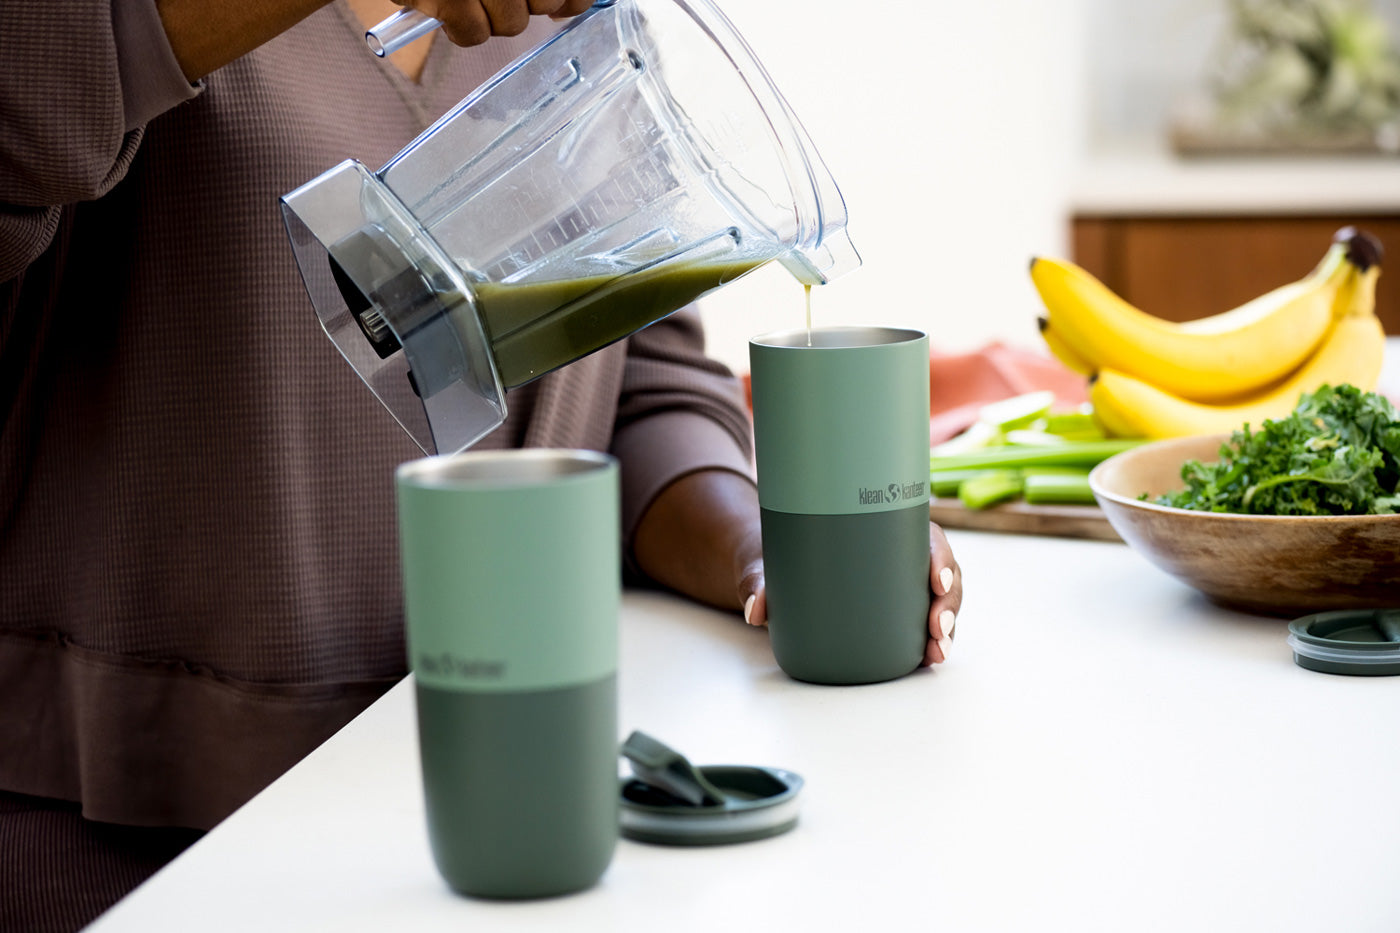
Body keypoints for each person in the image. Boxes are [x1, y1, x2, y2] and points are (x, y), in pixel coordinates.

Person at [0, 1, 963, 929]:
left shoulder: (576, 22)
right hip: (133, 838)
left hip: (513, 794)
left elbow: (637, 386)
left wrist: (768, 554)